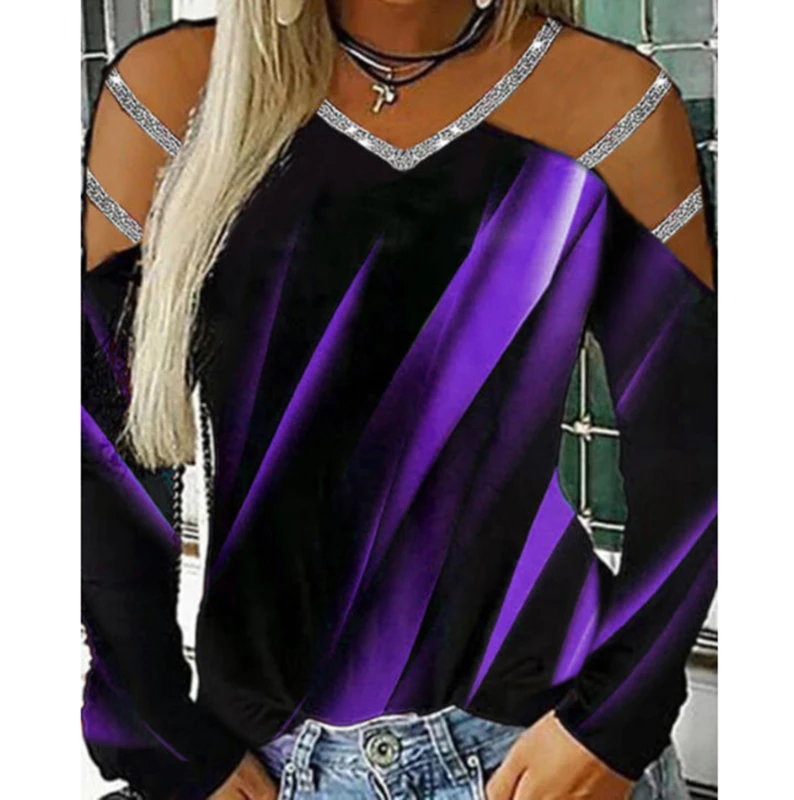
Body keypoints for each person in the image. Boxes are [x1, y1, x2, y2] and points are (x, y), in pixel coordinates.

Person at [81, 1, 717, 798]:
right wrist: (156, 731)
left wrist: (615, 725)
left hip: (535, 748)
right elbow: (102, 449)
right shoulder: (172, 95)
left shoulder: (604, 101)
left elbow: (698, 440)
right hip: (265, 761)